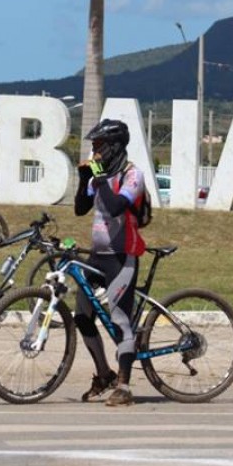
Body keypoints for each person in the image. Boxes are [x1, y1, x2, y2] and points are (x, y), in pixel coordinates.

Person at [73, 119, 147, 407]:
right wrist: (84, 180)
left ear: (114, 147)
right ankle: (104, 373)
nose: (95, 153)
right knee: (81, 315)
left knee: (120, 322)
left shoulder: (133, 175)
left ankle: (124, 386)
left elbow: (117, 206)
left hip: (122, 257)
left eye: (99, 147)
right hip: (97, 257)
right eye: (93, 147)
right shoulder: (98, 177)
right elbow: (81, 209)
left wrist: (99, 178)